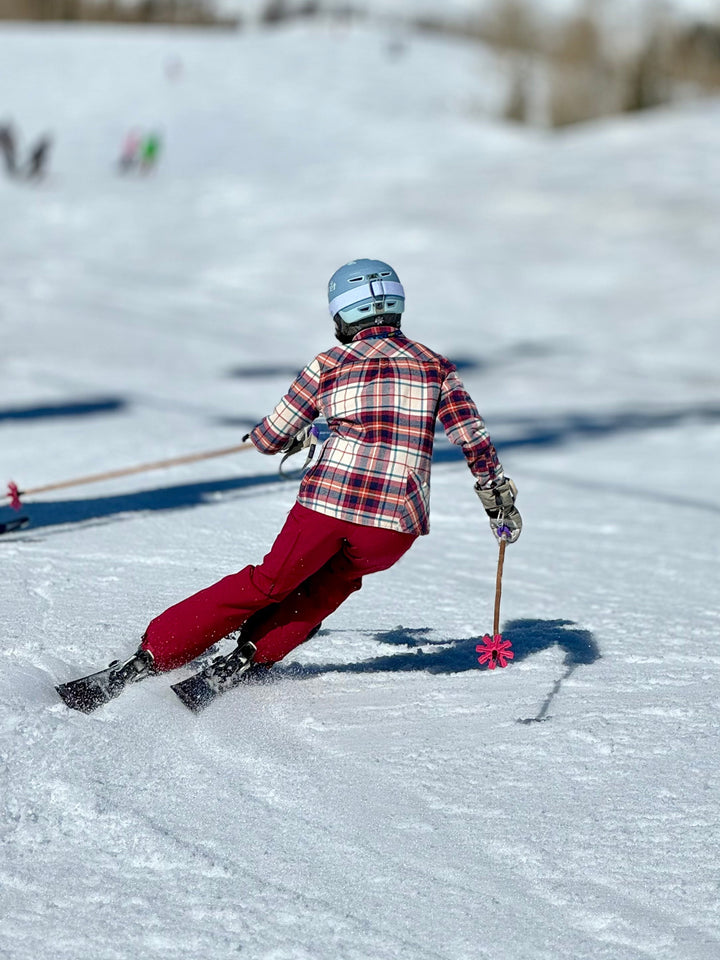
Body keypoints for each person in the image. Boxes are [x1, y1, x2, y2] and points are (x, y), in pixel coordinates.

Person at [61, 259, 522, 705]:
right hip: (395, 522)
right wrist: (496, 499)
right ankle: (250, 655)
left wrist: (282, 435)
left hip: (326, 505)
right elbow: (473, 439)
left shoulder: (327, 364)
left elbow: (271, 436)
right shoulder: (436, 366)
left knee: (268, 583)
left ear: (342, 315)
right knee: (333, 583)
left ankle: (156, 652)